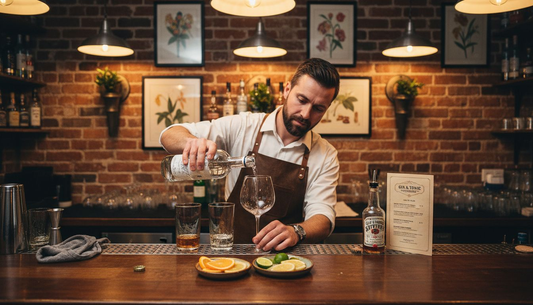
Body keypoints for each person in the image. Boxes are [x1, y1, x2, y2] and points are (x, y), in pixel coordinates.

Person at [160, 58, 340, 251]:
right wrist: (191, 142)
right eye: (302, 100)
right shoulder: (244, 126)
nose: (305, 114)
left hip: (288, 262)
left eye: (318, 108)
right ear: (287, 90)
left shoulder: (325, 154)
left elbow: (323, 218)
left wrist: (297, 231)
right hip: (232, 255)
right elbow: (168, 135)